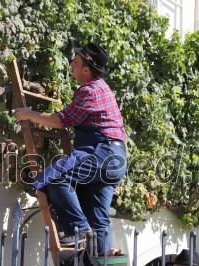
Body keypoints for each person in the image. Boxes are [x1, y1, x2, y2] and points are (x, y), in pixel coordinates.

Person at [15, 42, 128, 255]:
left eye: (75, 62)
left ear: (86, 69)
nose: (71, 65)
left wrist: (29, 114)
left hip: (103, 153)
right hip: (116, 159)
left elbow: (60, 121)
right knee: (98, 217)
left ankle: (79, 230)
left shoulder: (89, 91)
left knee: (56, 177)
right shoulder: (101, 88)